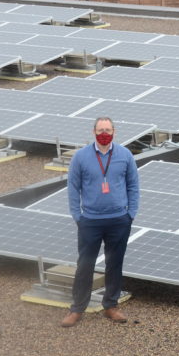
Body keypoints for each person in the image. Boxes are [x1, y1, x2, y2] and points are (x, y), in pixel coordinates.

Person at [61, 116, 140, 327]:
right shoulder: (81, 156)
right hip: (90, 221)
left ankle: (111, 305)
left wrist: (130, 213)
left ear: (114, 131)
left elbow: (133, 185)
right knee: (84, 265)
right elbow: (73, 187)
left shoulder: (125, 155)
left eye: (108, 129)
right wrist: (77, 216)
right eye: (100, 130)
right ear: (93, 132)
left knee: (114, 263)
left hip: (118, 220)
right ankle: (77, 309)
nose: (104, 133)